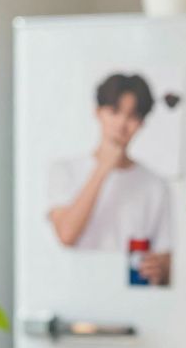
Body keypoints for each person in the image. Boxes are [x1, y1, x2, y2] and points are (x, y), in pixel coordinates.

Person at [48, 72, 173, 285]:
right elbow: (66, 235)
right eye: (114, 112)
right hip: (76, 289)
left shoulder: (156, 185)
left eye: (132, 116)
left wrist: (159, 267)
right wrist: (103, 168)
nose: (122, 124)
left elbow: (165, 256)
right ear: (98, 112)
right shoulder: (65, 170)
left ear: (141, 123)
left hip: (132, 294)